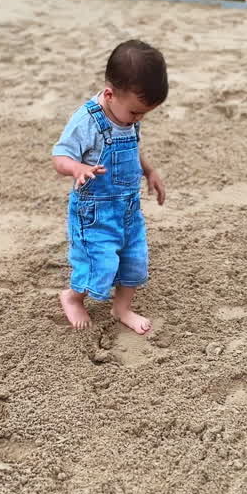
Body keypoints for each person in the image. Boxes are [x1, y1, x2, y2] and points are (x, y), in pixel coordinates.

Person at [51, 40, 168, 334]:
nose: (138, 119)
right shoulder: (87, 121)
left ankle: (121, 308)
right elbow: (59, 156)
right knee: (97, 263)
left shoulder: (128, 115)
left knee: (134, 261)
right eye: (135, 113)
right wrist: (77, 167)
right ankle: (73, 297)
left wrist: (149, 170)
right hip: (94, 211)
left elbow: (132, 147)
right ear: (109, 94)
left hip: (128, 208)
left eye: (144, 114)